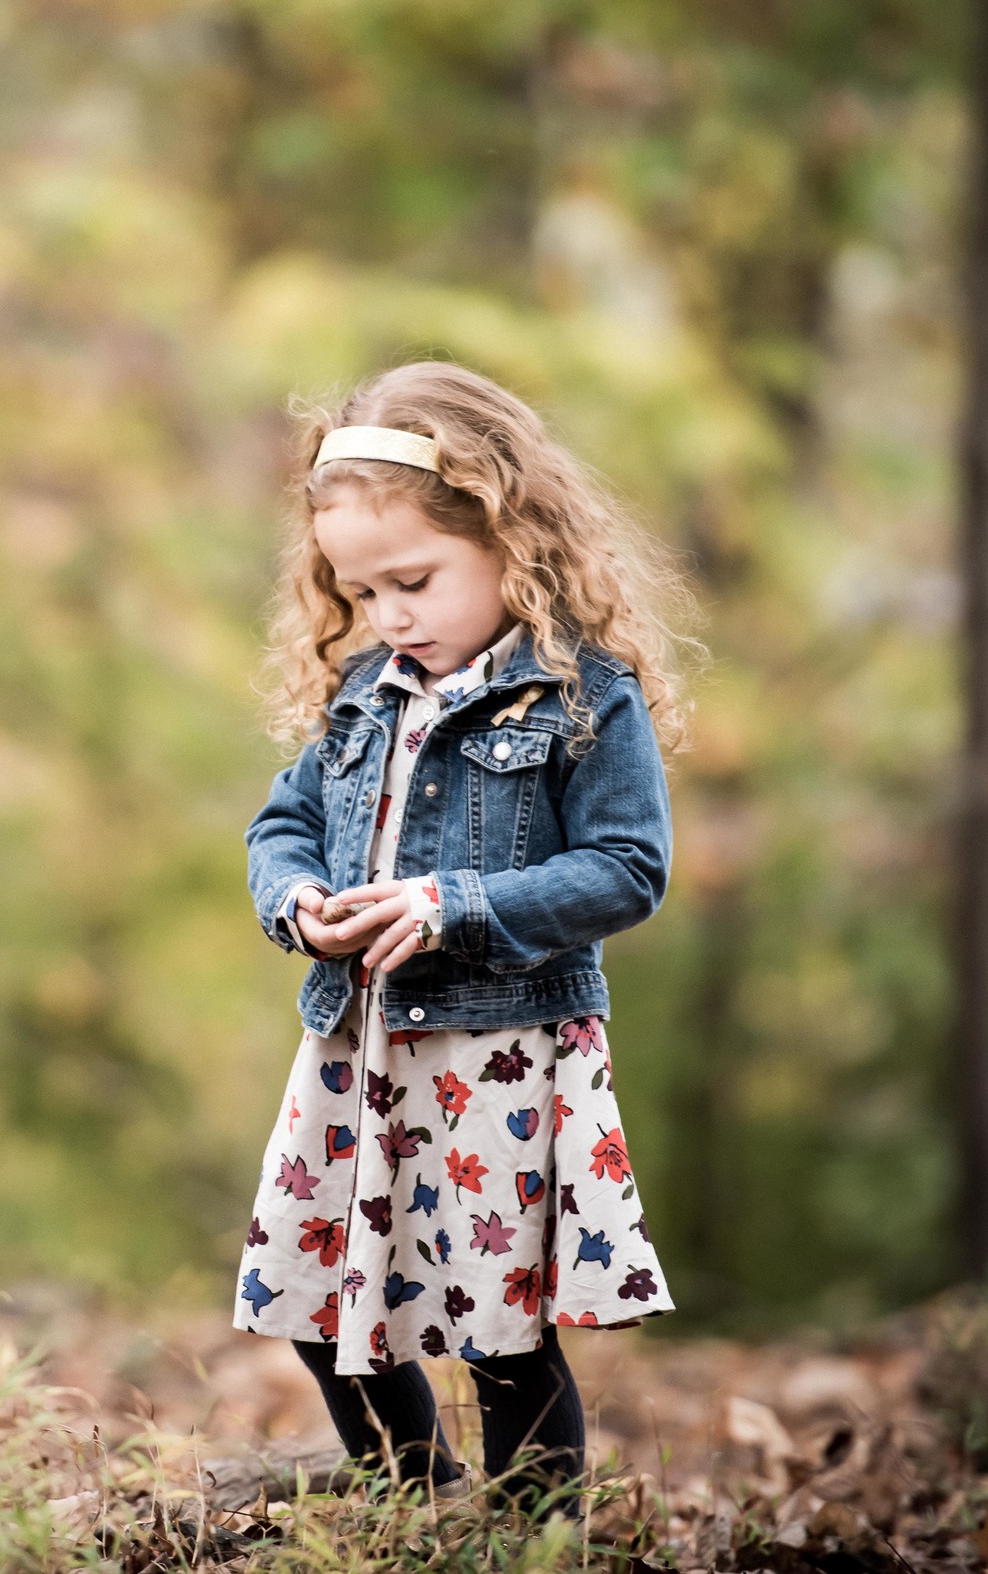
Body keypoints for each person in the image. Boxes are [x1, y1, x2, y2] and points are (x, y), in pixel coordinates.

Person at [234, 360, 688, 1517]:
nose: (389, 615)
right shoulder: (363, 690)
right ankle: (418, 1505)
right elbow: (283, 819)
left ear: (508, 536)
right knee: (318, 1297)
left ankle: (539, 1535)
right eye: (362, 589)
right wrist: (296, 898)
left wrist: (451, 905)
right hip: (357, 1047)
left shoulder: (581, 695)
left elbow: (628, 868)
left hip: (496, 1057)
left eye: (415, 581)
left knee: (495, 1326)